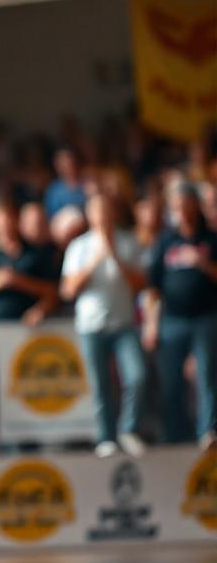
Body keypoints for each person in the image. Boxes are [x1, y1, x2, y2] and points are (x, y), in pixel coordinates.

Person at [60, 193, 147, 458]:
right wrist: (97, 259)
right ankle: (105, 437)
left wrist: (116, 257)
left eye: (107, 210)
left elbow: (140, 284)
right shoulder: (79, 246)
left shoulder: (129, 242)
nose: (103, 216)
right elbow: (68, 289)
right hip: (91, 325)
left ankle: (128, 428)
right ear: (90, 215)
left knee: (137, 375)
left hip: (123, 323)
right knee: (100, 385)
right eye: (98, 211)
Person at [0, 193, 59, 423]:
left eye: (8, 217)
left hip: (28, 336)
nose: (5, 223)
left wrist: (20, 283)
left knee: (26, 389)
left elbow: (52, 291)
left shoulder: (35, 253)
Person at [143, 182, 217, 448]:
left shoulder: (211, 238)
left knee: (207, 376)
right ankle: (174, 434)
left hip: (206, 317)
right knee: (170, 379)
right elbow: (153, 287)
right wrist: (151, 324)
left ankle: (208, 431)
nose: (183, 213)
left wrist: (202, 263)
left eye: (187, 207)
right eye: (178, 208)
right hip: (172, 319)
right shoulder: (166, 240)